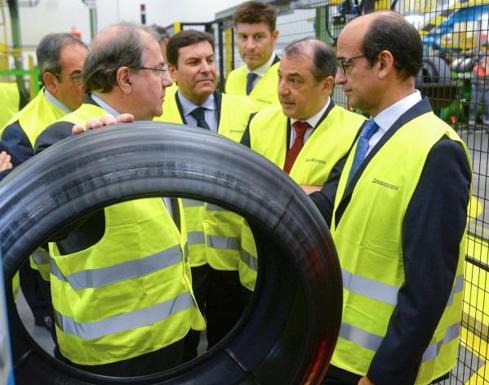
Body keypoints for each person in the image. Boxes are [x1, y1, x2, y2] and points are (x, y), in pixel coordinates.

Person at [34, 22, 205, 376]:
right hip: (115, 356)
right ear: (125, 78)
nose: (168, 80)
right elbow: (52, 225)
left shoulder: (143, 131)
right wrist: (84, 159)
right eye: (159, 69)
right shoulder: (69, 136)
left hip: (171, 334)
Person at [313, 11, 471, 385]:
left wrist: (384, 375)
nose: (339, 78)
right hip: (343, 351)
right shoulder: (371, 130)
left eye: (346, 64)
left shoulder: (437, 150)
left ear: (383, 63)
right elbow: (342, 204)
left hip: (382, 368)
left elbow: (428, 286)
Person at [155, 29, 257, 360]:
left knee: (226, 347)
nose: (206, 68)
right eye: (194, 62)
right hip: (179, 262)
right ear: (172, 72)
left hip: (230, 257)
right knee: (181, 350)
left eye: (210, 60)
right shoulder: (155, 116)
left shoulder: (247, 111)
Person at [239, 38, 365, 292]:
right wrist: (305, 190)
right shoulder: (258, 123)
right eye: (280, 77)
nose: (282, 90)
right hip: (256, 280)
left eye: (295, 80)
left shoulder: (356, 134)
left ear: (327, 85)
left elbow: (326, 207)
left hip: (310, 284)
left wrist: (261, 188)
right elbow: (237, 188)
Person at [0, 32, 88, 333]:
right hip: (50, 274)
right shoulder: (21, 132)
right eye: (77, 76)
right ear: (50, 82)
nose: (87, 84)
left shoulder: (93, 111)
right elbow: (26, 218)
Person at [225, 1, 280, 109]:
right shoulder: (233, 78)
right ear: (236, 36)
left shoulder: (288, 80)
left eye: (258, 37)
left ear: (274, 37)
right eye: (243, 37)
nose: (250, 46)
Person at [468, 48, 489, 131]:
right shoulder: (476, 69)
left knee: (488, 108)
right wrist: (484, 82)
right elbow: (474, 80)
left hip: (487, 90)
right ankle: (471, 127)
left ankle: (487, 127)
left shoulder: (487, 68)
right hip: (477, 89)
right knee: (473, 107)